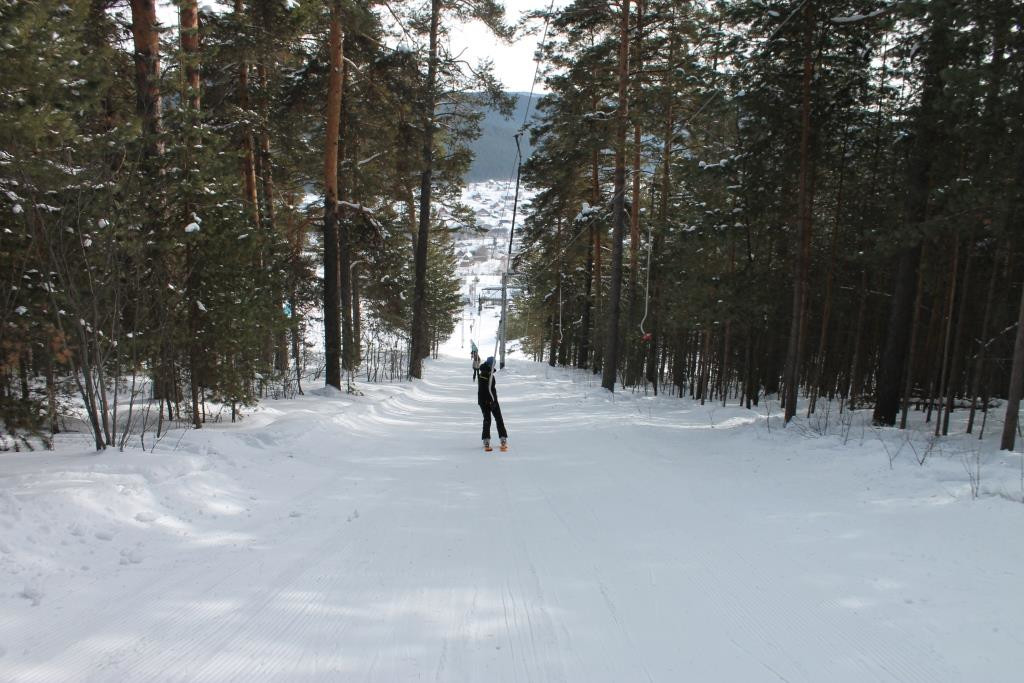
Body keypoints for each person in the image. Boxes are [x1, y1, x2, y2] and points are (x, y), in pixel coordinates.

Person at [477, 356, 508, 452]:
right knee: (487, 419)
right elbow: (483, 390)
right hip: (485, 401)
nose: (493, 366)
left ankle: (503, 438)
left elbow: (492, 390)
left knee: (499, 418)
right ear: (489, 364)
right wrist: (489, 401)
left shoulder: (491, 375)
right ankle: (486, 440)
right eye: (492, 364)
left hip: (493, 400)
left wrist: (494, 401)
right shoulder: (482, 375)